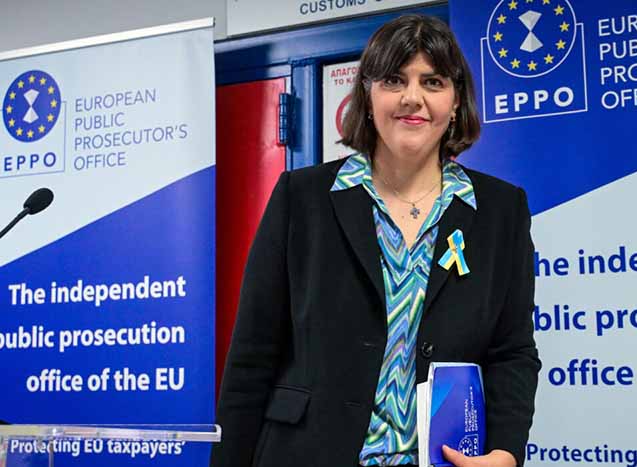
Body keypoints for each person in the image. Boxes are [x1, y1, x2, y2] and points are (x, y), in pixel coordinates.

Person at [211, 14, 541, 467]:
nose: (412, 97)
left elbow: (512, 351)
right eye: (393, 80)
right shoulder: (301, 198)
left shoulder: (501, 210)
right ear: (367, 97)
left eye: (433, 81)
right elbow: (252, 355)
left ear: (455, 101)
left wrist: (505, 451)